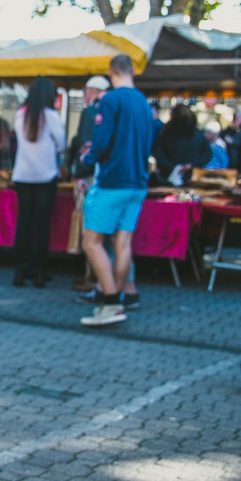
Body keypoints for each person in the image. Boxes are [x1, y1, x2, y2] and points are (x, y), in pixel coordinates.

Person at [77, 54, 153, 327]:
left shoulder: (110, 100)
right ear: (132, 71)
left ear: (110, 72)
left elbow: (101, 141)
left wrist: (87, 158)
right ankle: (114, 301)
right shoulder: (143, 102)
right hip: (137, 182)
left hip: (112, 182)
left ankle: (110, 302)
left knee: (91, 241)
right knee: (122, 244)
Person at [11, 77, 67, 288]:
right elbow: (61, 144)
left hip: (22, 175)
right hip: (45, 175)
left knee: (24, 222)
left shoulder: (20, 114)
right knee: (42, 224)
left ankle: (19, 271)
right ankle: (40, 273)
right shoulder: (51, 116)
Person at [67, 75, 110, 292]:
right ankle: (99, 278)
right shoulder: (113, 110)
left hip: (92, 176)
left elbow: (85, 146)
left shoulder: (91, 112)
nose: (84, 95)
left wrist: (79, 173)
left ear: (93, 91)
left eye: (86, 90)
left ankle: (93, 277)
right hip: (107, 177)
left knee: (91, 233)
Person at [151, 103, 212, 186]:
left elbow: (157, 152)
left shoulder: (166, 133)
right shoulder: (198, 134)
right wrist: (192, 165)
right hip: (190, 179)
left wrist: (173, 167)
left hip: (168, 179)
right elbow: (208, 154)